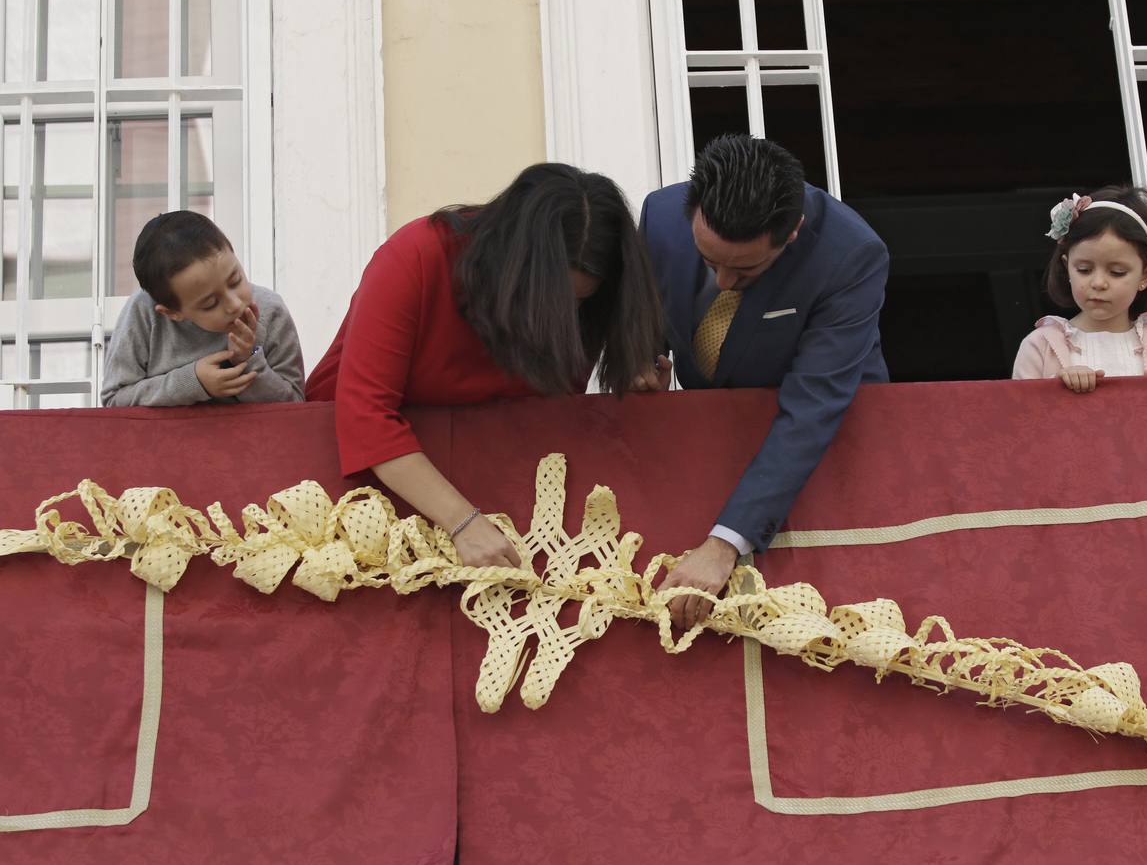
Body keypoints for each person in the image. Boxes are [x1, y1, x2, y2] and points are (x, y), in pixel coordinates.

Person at [305, 163, 665, 568]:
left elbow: (546, 420)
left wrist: (637, 395)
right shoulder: (416, 256)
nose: (563, 320)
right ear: (513, 263)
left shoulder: (584, 308)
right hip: (360, 493)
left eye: (579, 304)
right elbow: (366, 417)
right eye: (552, 301)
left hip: (481, 506)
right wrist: (462, 523)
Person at [638, 134, 890, 628]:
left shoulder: (852, 254)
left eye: (746, 269)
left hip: (827, 438)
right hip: (716, 426)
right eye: (710, 262)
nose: (724, 283)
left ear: (792, 232)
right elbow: (642, 307)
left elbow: (813, 407)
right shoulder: (660, 214)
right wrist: (640, 356)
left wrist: (724, 543)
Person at [102, 211, 305, 407]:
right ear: (172, 313)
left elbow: (295, 405)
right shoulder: (143, 313)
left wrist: (248, 360)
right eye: (210, 303)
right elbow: (114, 400)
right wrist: (193, 382)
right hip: (168, 440)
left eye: (235, 280)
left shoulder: (271, 311)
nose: (234, 304)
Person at [1012, 186, 1147, 394]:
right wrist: (1055, 391)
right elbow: (1022, 417)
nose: (1099, 283)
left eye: (1117, 272)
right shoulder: (1040, 345)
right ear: (1067, 266)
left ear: (1146, 275)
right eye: (1084, 270)